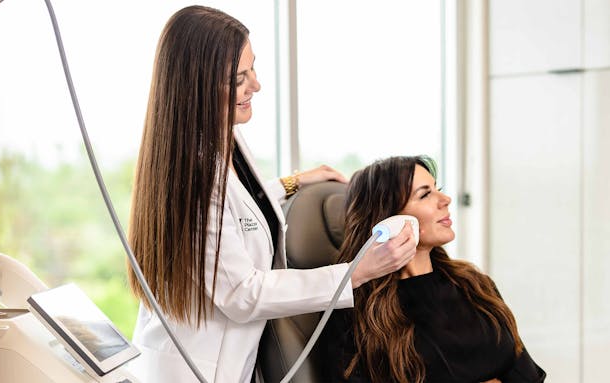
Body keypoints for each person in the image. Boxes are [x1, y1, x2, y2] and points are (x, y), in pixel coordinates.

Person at [125, 5, 417, 383]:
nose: (256, 85)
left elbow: (235, 209)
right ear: (198, 85)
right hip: (195, 371)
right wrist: (354, 274)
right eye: (239, 78)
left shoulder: (221, 138)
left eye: (253, 69)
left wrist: (292, 183)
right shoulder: (194, 176)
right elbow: (243, 293)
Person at [316, 155, 546, 383]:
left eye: (438, 189)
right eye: (425, 194)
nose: (446, 199)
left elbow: (526, 373)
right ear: (387, 218)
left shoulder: (474, 284)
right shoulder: (352, 311)